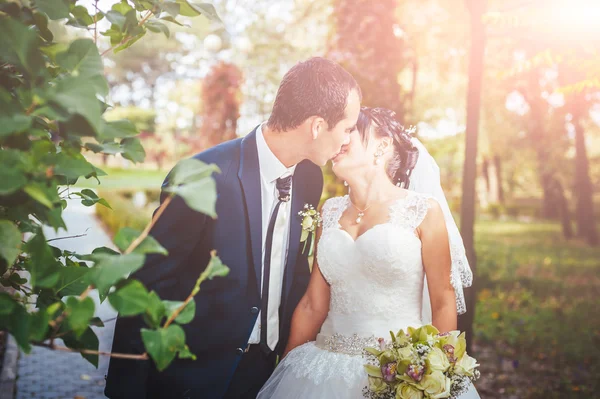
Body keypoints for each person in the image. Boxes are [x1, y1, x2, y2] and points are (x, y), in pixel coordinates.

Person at [104, 57, 362, 399]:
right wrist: (127, 391)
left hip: (262, 375)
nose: (347, 141)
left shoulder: (310, 178)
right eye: (347, 128)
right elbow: (145, 285)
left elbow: (294, 269)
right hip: (191, 376)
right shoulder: (202, 176)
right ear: (317, 126)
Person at [257, 107, 479, 398]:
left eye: (351, 130)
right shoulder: (330, 211)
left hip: (397, 373)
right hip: (323, 369)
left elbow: (442, 302)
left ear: (382, 145)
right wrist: (285, 365)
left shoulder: (423, 211)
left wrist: (439, 374)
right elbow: (314, 303)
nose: (341, 137)